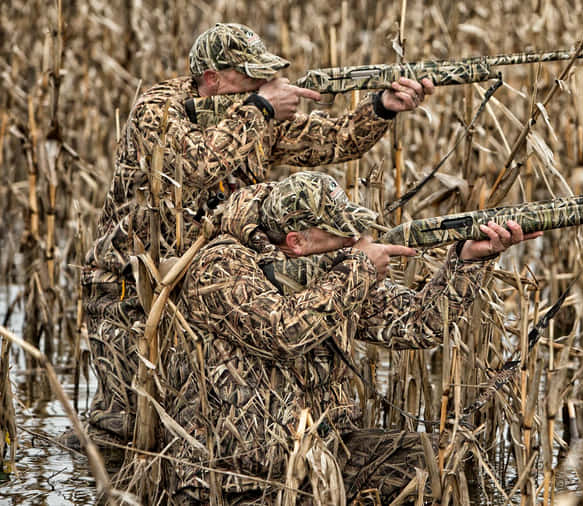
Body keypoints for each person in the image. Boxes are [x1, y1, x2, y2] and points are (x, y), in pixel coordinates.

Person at [82, 22, 434, 444]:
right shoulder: (157, 110)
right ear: (212, 79)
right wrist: (260, 108)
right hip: (130, 296)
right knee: (124, 430)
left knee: (189, 422)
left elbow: (332, 142)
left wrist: (381, 108)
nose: (266, 84)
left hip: (208, 284)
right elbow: (197, 166)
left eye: (267, 75)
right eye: (252, 76)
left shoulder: (245, 112)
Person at [159, 171, 540, 504]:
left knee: (440, 462)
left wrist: (468, 260)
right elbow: (283, 332)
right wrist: (357, 269)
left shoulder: (324, 267)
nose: (355, 239)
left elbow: (420, 323)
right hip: (241, 473)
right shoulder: (220, 266)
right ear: (296, 242)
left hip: (327, 450)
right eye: (341, 233)